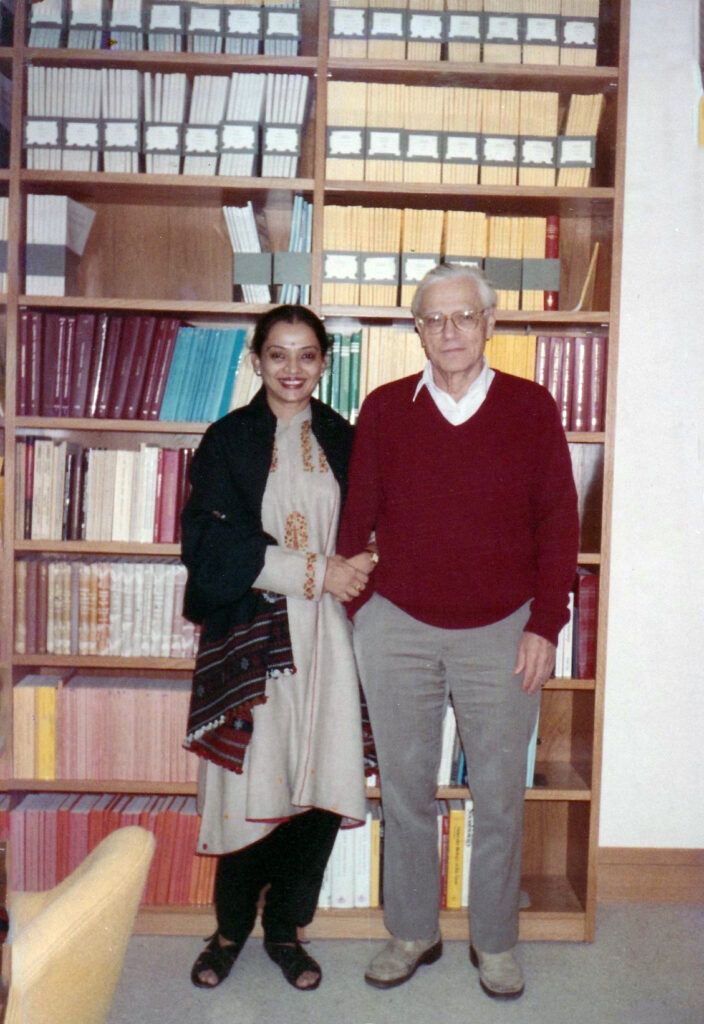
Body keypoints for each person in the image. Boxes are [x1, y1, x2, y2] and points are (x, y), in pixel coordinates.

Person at [337, 263, 579, 1000]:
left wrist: (546, 624)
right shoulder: (383, 410)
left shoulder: (532, 408)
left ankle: (496, 942)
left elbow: (558, 526)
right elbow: (356, 520)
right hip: (398, 626)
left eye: (463, 317)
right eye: (433, 319)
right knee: (405, 791)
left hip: (503, 632)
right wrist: (362, 612)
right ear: (416, 330)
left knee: (500, 795)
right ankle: (412, 931)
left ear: (489, 324)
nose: (449, 332)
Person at [181, 304, 376, 993]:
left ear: (325, 363)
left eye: (307, 356)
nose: (292, 370)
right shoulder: (227, 440)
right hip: (253, 636)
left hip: (331, 638)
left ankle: (287, 931)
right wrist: (315, 571)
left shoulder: (347, 439)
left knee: (318, 788)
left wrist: (363, 563)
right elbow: (207, 546)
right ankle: (230, 929)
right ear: (255, 361)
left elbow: (382, 526)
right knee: (249, 789)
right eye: (277, 355)